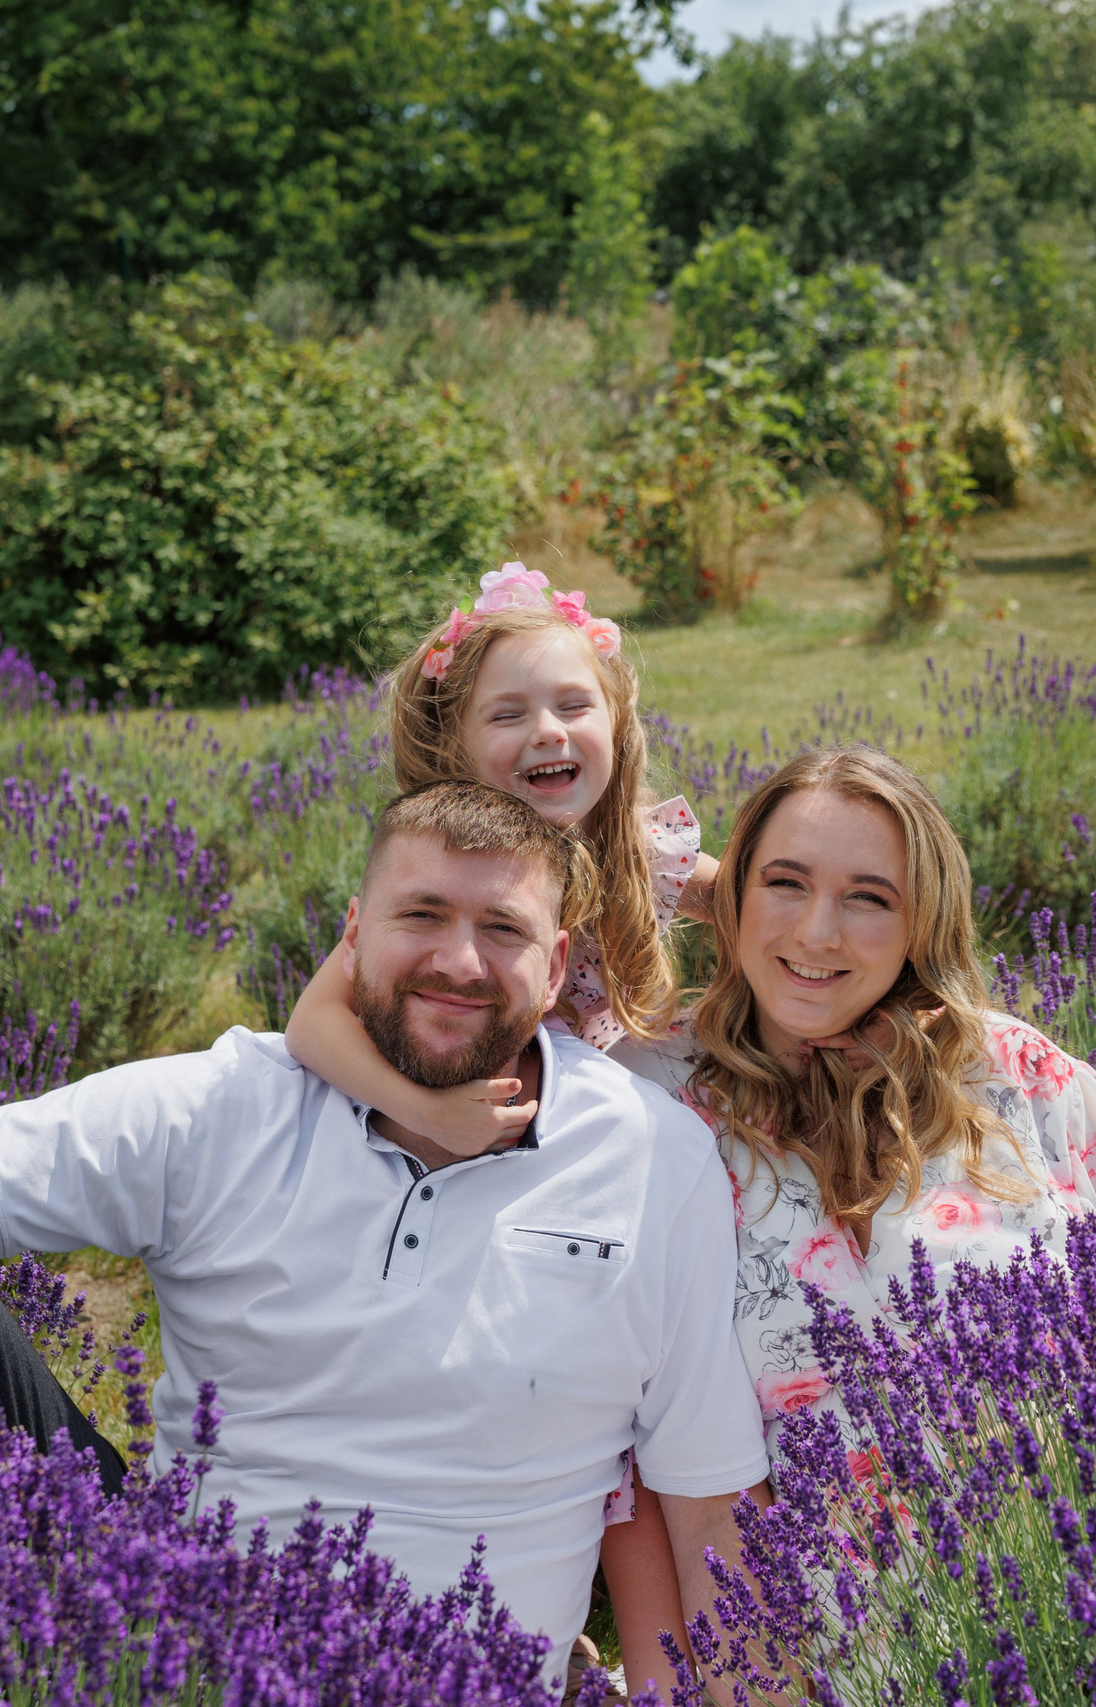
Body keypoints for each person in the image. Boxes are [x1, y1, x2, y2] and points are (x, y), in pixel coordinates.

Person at [0, 780, 771, 1697]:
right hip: (171, 1636)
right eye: (421, 915)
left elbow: (707, 1506)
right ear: (354, 932)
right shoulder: (226, 1105)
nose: (457, 959)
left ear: (556, 967)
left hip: (456, 1672)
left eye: (502, 929)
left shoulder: (651, 1162)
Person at [281, 562, 717, 1695]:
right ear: (456, 744)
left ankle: (652, 1643)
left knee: (661, 1413)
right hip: (485, 1149)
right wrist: (425, 1106)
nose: (548, 732)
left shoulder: (650, 857)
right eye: (508, 713)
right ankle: (567, 1635)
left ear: (616, 719)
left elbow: (766, 900)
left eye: (572, 705)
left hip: (620, 1143)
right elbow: (312, 1023)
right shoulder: (456, 865)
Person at [612, 745, 1096, 1473]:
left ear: (923, 922)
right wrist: (697, 889)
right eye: (784, 882)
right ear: (732, 890)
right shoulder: (650, 1094)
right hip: (850, 1584)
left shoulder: (1011, 1067)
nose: (818, 932)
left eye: (870, 897)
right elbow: (515, 846)